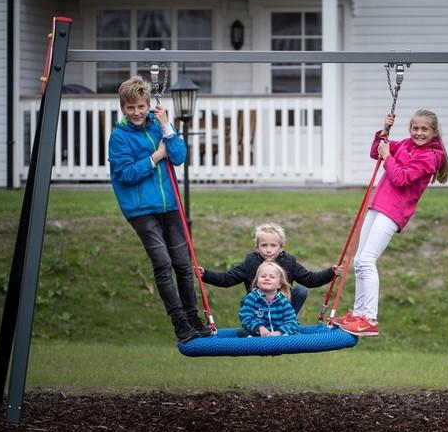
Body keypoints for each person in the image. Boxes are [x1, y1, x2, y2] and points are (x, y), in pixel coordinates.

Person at [108, 75, 211, 343]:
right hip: (141, 211)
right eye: (130, 108)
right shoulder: (119, 138)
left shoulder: (158, 127)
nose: (136, 113)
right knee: (163, 264)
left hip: (170, 206)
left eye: (140, 106)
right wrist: (155, 157)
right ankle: (180, 324)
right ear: (123, 108)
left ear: (147, 105)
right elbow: (126, 173)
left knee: (183, 265)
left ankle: (193, 319)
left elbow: (179, 156)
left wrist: (167, 127)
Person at [336, 109, 448, 337]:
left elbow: (401, 177)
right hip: (378, 205)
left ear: (434, 132)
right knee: (359, 259)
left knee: (368, 260)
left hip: (394, 211)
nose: (418, 133)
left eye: (424, 129)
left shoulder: (431, 156)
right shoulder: (405, 144)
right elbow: (375, 152)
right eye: (415, 128)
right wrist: (384, 131)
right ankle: (359, 314)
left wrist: (388, 155)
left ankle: (369, 318)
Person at [198, 223, 341, 314]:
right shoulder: (251, 262)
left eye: (273, 246)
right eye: (264, 245)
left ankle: (287, 322)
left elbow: (310, 280)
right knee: (245, 300)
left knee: (301, 291)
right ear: (257, 247)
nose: (268, 250)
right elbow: (227, 279)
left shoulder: (288, 261)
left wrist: (330, 272)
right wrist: (205, 274)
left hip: (283, 307)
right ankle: (254, 326)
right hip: (259, 308)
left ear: (281, 247)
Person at [239, 261, 299, 337]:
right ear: (257, 282)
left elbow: (292, 321)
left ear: (279, 284)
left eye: (272, 277)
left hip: (278, 335)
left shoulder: (282, 301)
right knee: (242, 332)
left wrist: (279, 332)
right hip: (258, 333)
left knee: (295, 332)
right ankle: (253, 344)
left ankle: (284, 342)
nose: (267, 278)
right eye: (263, 276)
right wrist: (259, 327)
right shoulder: (252, 297)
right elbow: (245, 316)